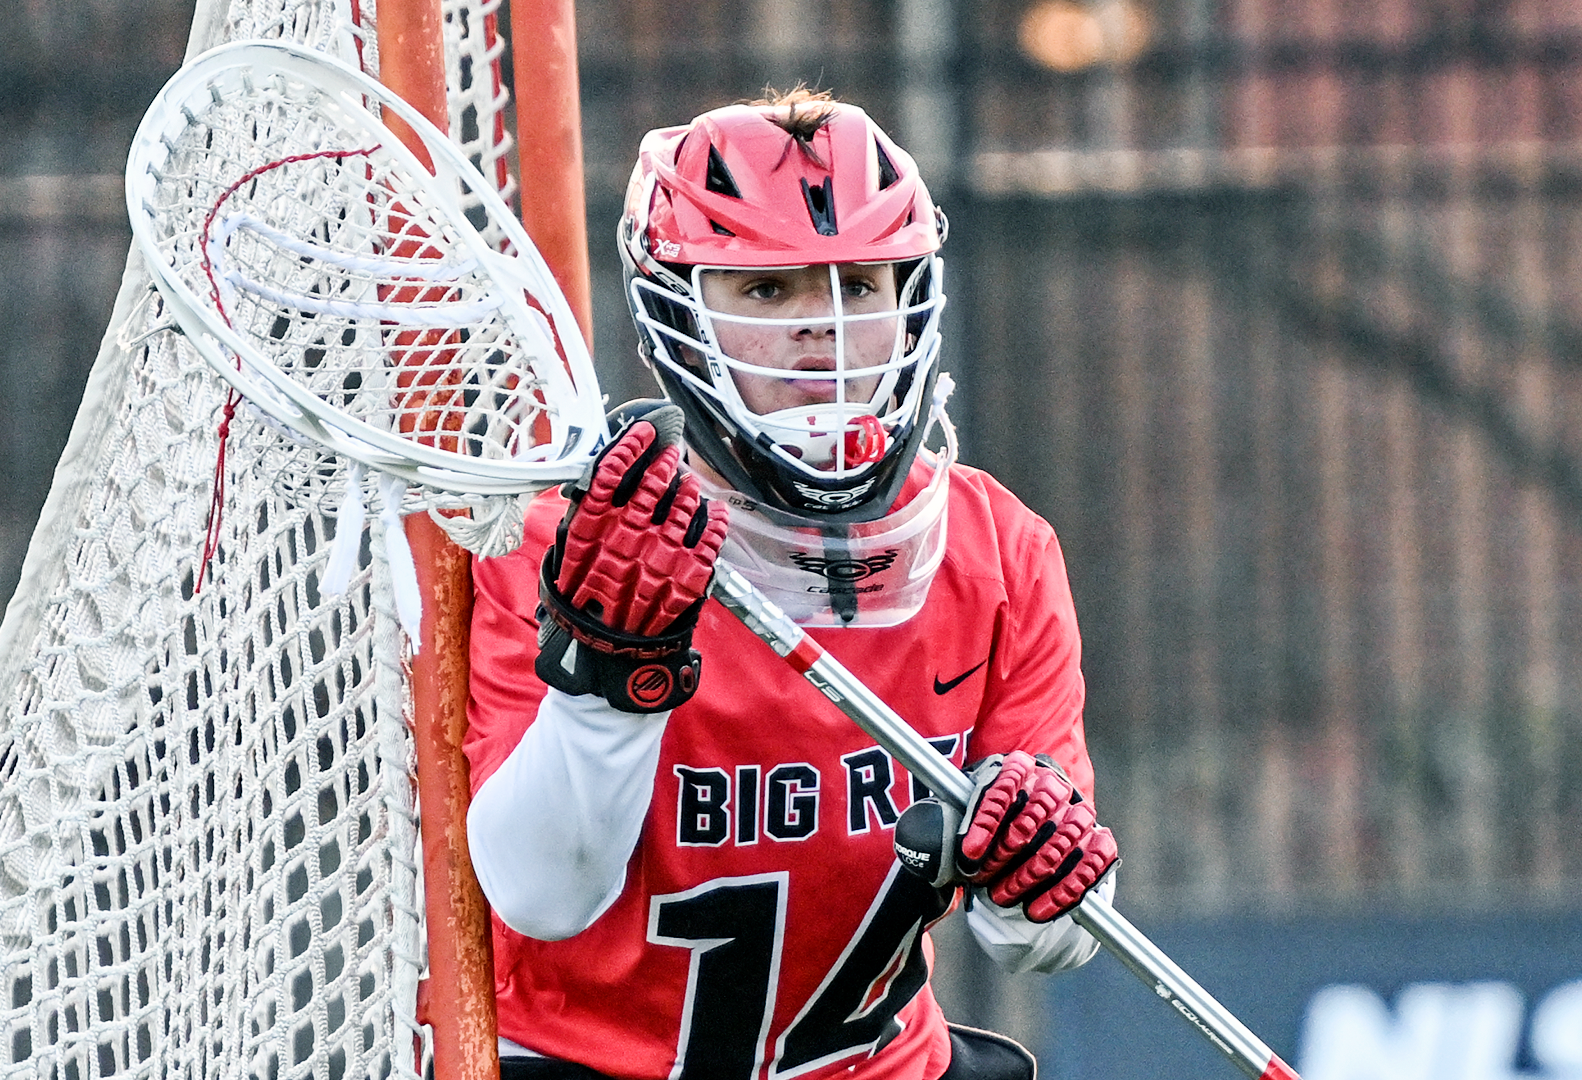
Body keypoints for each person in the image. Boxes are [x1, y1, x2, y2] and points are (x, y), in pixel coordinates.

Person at [463, 88, 1120, 1080]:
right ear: (674, 310)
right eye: (768, 291)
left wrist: (1038, 868)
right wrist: (608, 677)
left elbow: (1048, 939)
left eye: (859, 283)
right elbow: (540, 896)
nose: (828, 330)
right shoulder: (563, 547)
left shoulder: (997, 550)